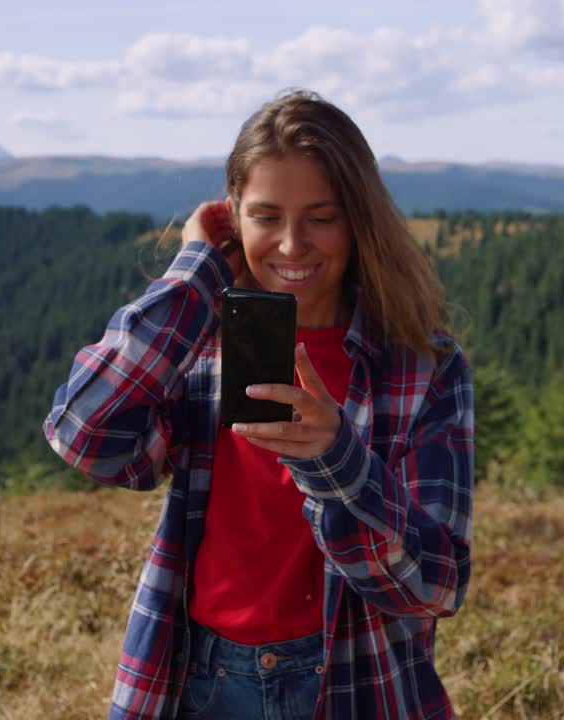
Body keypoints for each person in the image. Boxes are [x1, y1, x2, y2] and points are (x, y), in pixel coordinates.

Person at [43, 89, 474, 720]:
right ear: (233, 218)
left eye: (322, 217)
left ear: (360, 222)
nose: (293, 245)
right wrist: (194, 276)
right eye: (265, 216)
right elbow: (83, 434)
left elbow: (435, 584)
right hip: (202, 678)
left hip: (356, 684)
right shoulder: (199, 346)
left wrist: (338, 462)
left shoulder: (420, 365)